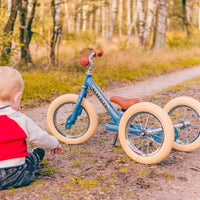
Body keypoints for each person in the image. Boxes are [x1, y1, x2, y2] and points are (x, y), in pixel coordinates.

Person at [0, 66, 62, 189]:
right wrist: (54, 143)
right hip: (15, 174)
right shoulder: (18, 119)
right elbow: (40, 137)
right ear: (16, 97)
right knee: (28, 158)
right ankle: (36, 157)